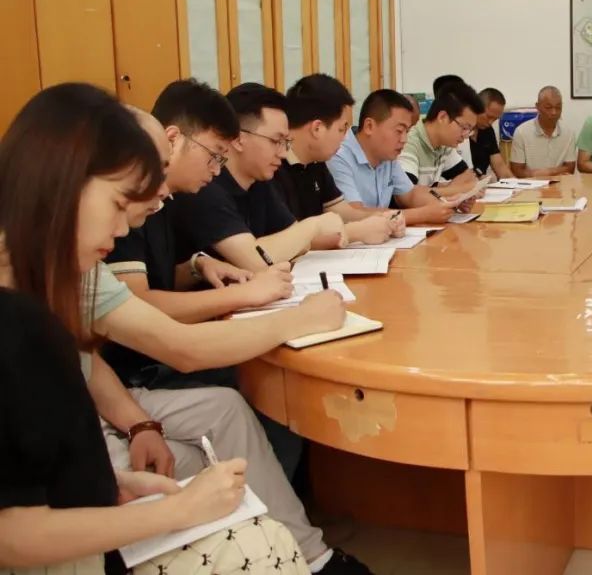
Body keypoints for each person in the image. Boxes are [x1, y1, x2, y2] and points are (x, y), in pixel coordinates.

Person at [0, 83, 311, 575]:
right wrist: (177, 511)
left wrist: (120, 464)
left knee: (259, 526)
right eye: (122, 200)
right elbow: (13, 533)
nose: (126, 227)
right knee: (258, 549)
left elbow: (82, 366)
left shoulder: (55, 282)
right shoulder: (20, 317)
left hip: (88, 498)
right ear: (62, 181)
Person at [104, 80, 296, 325]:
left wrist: (196, 267)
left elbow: (156, 279)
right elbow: (135, 306)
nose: (216, 170)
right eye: (214, 155)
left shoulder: (171, 197)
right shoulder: (130, 200)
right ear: (173, 140)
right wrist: (243, 294)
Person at [171, 83, 347, 272]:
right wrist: (314, 226)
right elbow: (255, 261)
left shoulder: (260, 181)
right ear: (238, 139)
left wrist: (304, 234)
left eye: (285, 142)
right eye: (276, 141)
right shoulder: (205, 183)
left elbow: (298, 243)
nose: (283, 153)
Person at [277, 74, 398, 241]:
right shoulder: (272, 167)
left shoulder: (316, 162)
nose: (345, 137)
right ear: (317, 128)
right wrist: (354, 232)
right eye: (342, 129)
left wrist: (387, 218)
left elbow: (342, 212)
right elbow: (288, 241)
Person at [329, 89, 457, 225]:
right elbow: (355, 214)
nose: (404, 139)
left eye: (407, 131)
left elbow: (410, 194)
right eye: (399, 131)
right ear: (369, 126)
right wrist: (424, 214)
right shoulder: (338, 155)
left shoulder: (386, 155)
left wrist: (442, 205)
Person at [398, 80, 482, 198]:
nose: (466, 135)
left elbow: (469, 177)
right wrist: (457, 190)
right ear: (442, 117)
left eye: (470, 130)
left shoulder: (444, 144)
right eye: (464, 127)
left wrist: (449, 191)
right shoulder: (408, 141)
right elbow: (407, 195)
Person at [509, 86, 576, 178]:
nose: (554, 112)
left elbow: (570, 168)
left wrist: (546, 172)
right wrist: (553, 172)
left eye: (558, 107)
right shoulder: (521, 132)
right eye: (548, 107)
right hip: (530, 184)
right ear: (537, 107)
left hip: (559, 184)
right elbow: (517, 171)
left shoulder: (569, 132)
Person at [466, 87, 512, 179]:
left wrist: (516, 184)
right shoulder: (457, 133)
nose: (490, 122)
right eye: (489, 117)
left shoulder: (487, 130)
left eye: (495, 119)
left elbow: (500, 166)